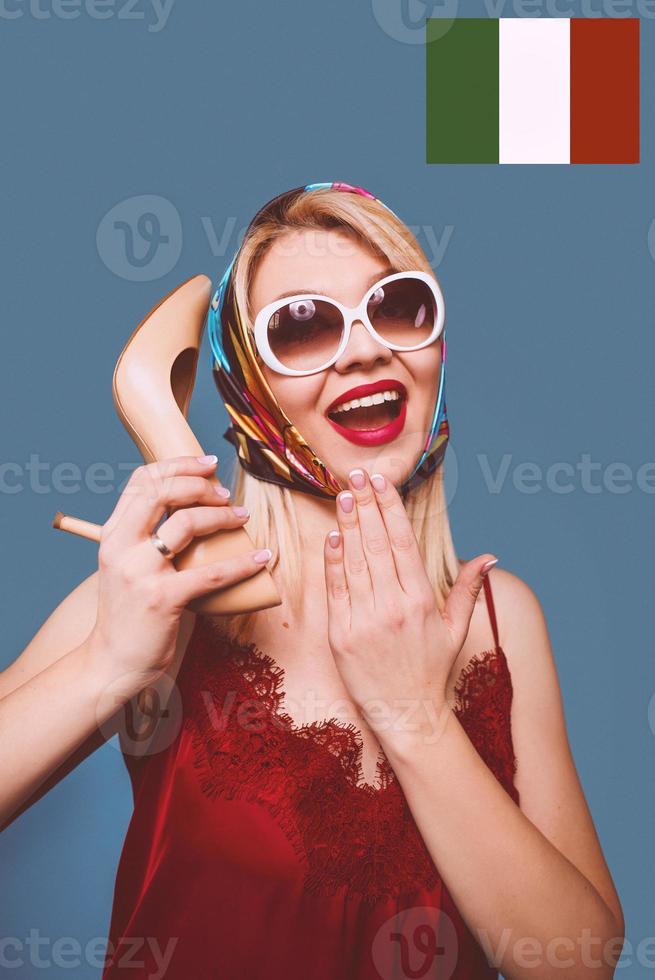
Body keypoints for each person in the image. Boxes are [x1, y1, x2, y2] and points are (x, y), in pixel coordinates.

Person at [0, 183, 624, 979]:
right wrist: (108, 665)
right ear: (245, 386)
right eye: (302, 327)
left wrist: (415, 720)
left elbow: (577, 962)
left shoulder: (501, 619)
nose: (364, 351)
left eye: (397, 307)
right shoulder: (165, 599)